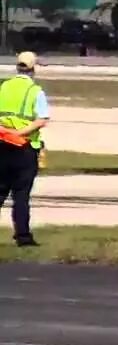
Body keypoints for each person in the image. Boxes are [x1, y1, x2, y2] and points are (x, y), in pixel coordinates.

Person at [0, 50, 50, 247]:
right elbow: (41, 120)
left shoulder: (4, 87)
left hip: (2, 144)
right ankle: (23, 236)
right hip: (24, 147)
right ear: (34, 68)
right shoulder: (35, 91)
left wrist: (5, 132)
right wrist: (19, 134)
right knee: (21, 194)